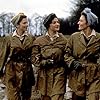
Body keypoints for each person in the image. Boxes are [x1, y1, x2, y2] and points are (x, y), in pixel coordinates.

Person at [64, 7, 100, 100]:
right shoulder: (74, 37)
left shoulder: (99, 38)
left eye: (81, 21)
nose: (78, 23)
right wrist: (72, 62)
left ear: (88, 23)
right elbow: (66, 54)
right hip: (77, 76)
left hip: (95, 76)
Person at [32, 13, 67, 100]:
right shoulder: (39, 41)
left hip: (59, 73)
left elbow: (68, 56)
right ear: (48, 25)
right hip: (44, 75)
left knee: (57, 97)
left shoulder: (64, 40)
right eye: (54, 22)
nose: (57, 24)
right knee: (45, 97)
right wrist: (43, 62)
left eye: (58, 22)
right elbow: (34, 58)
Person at [0, 13, 35, 100]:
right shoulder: (9, 38)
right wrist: (0, 70)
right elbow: (3, 55)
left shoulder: (31, 38)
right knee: (13, 97)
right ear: (17, 25)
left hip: (27, 70)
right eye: (24, 23)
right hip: (12, 71)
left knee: (26, 96)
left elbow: (35, 54)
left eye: (27, 23)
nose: (27, 25)